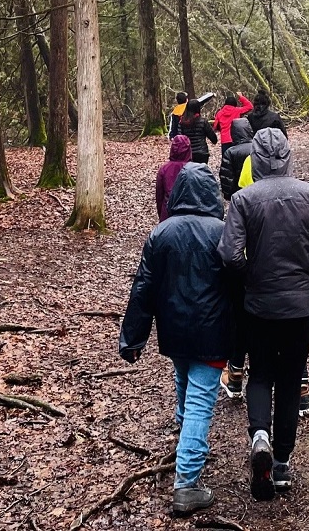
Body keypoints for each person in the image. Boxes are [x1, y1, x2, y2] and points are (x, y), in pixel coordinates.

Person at [218, 128, 309, 501]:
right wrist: (308, 272)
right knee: (290, 379)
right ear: (288, 156)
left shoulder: (243, 199)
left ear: (256, 161)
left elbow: (229, 254)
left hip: (259, 304)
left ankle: (260, 436)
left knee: (260, 373)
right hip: (299, 306)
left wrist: (252, 276)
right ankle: (281, 464)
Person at [120, 163, 234, 516]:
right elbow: (239, 286)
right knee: (200, 401)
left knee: (184, 380)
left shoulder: (162, 233)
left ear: (179, 192)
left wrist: (133, 338)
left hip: (174, 331)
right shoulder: (223, 232)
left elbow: (143, 288)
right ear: (211, 193)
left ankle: (187, 441)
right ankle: (187, 483)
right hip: (213, 333)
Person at [219, 120, 309, 419]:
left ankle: (237, 375)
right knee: (294, 332)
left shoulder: (242, 166)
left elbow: (231, 189)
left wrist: (247, 271)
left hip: (255, 260)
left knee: (244, 323)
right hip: (290, 265)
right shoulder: (304, 192)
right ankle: (300, 389)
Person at [156, 135, 192, 221]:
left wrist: (161, 214)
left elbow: (159, 195)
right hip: (189, 214)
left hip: (168, 213)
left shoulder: (164, 169)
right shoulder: (193, 169)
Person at [178, 98, 218, 164]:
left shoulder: (182, 122)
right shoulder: (203, 121)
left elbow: (180, 138)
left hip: (188, 153)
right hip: (202, 153)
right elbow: (213, 139)